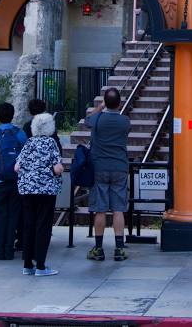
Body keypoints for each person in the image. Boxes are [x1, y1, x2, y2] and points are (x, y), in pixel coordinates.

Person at [84, 87, 131, 262]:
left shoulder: (97, 120)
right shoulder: (125, 121)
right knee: (119, 208)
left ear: (106, 102)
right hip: (119, 167)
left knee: (100, 209)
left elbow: (87, 120)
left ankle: (98, 248)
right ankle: (119, 249)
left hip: (99, 168)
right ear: (119, 103)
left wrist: (100, 107)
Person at [15, 112, 64, 276]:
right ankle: (41, 266)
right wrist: (57, 170)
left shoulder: (28, 142)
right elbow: (57, 168)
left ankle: (27, 264)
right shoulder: (51, 143)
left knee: (28, 224)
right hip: (46, 190)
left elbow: (17, 167)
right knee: (43, 225)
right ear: (50, 126)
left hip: (27, 189)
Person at [0, 102, 27, 260]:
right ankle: (9, 250)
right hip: (16, 182)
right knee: (13, 216)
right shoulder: (20, 134)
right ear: (12, 115)